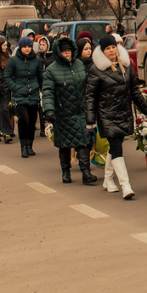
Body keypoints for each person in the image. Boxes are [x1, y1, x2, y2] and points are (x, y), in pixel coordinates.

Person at [86, 35, 147, 199]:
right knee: (117, 148)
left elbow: (135, 91)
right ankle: (125, 185)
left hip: (124, 113)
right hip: (106, 114)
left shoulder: (127, 66)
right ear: (102, 51)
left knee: (115, 147)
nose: (111, 50)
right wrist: (90, 119)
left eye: (113, 47)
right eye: (107, 48)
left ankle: (108, 179)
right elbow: (90, 96)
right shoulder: (96, 69)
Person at [42, 37, 97, 185]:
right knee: (65, 144)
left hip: (81, 111)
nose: (67, 54)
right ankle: (65, 171)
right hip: (63, 113)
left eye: (69, 51)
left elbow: (88, 86)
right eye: (64, 51)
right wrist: (49, 110)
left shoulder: (79, 64)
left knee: (84, 141)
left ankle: (86, 172)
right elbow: (47, 92)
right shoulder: (52, 70)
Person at [4, 36, 44, 158]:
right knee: (24, 120)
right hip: (19, 95)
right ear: (20, 48)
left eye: (29, 47)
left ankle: (30, 145)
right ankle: (23, 146)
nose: (27, 49)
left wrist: (44, 87)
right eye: (24, 47)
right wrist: (15, 87)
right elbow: (7, 76)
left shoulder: (36, 60)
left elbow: (40, 75)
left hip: (33, 94)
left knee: (32, 122)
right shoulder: (14, 60)